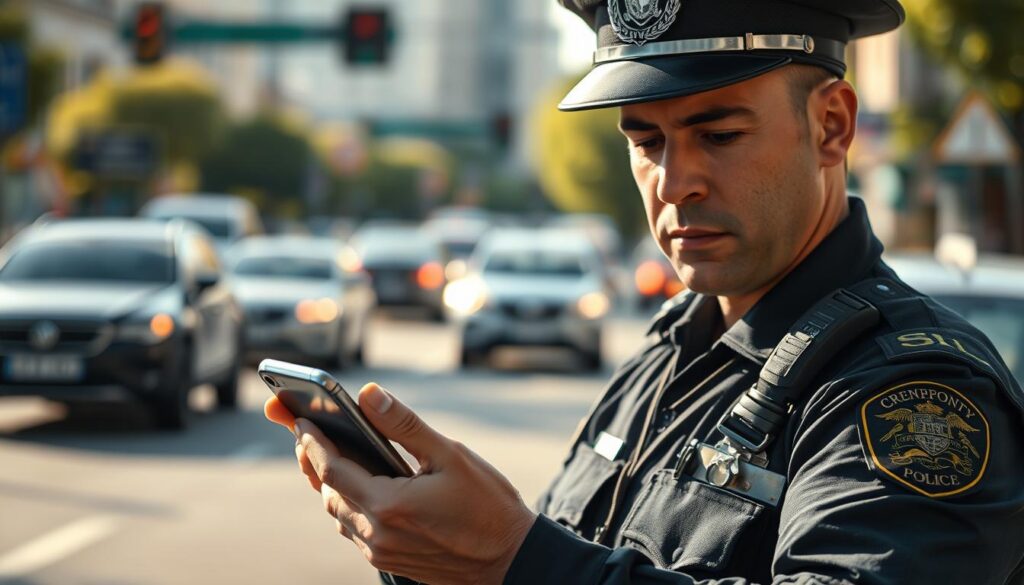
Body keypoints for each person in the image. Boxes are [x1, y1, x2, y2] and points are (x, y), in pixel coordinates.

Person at [265, 0, 1024, 583]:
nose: (674, 182)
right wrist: (435, 552)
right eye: (646, 142)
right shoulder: (672, 347)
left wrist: (512, 556)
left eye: (718, 135)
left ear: (831, 125)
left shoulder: (910, 390)